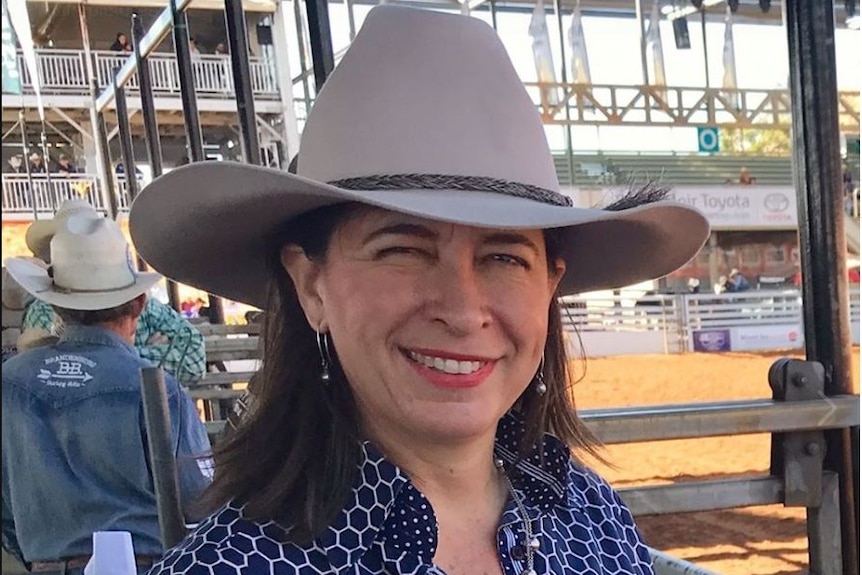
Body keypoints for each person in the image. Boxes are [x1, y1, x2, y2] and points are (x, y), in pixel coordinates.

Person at [130, 7, 709, 574]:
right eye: (403, 250)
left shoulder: (590, 514)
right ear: (311, 285)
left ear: (549, 286)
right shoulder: (231, 566)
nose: (461, 311)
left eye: (504, 257)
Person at [2, 212, 212, 574]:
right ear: (139, 304)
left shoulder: (11, 380)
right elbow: (199, 503)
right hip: (146, 564)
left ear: (55, 304)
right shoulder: (156, 386)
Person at [19, 200, 207, 384]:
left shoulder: (43, 309)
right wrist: (136, 357)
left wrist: (105, 361)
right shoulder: (142, 303)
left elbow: (42, 373)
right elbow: (192, 359)